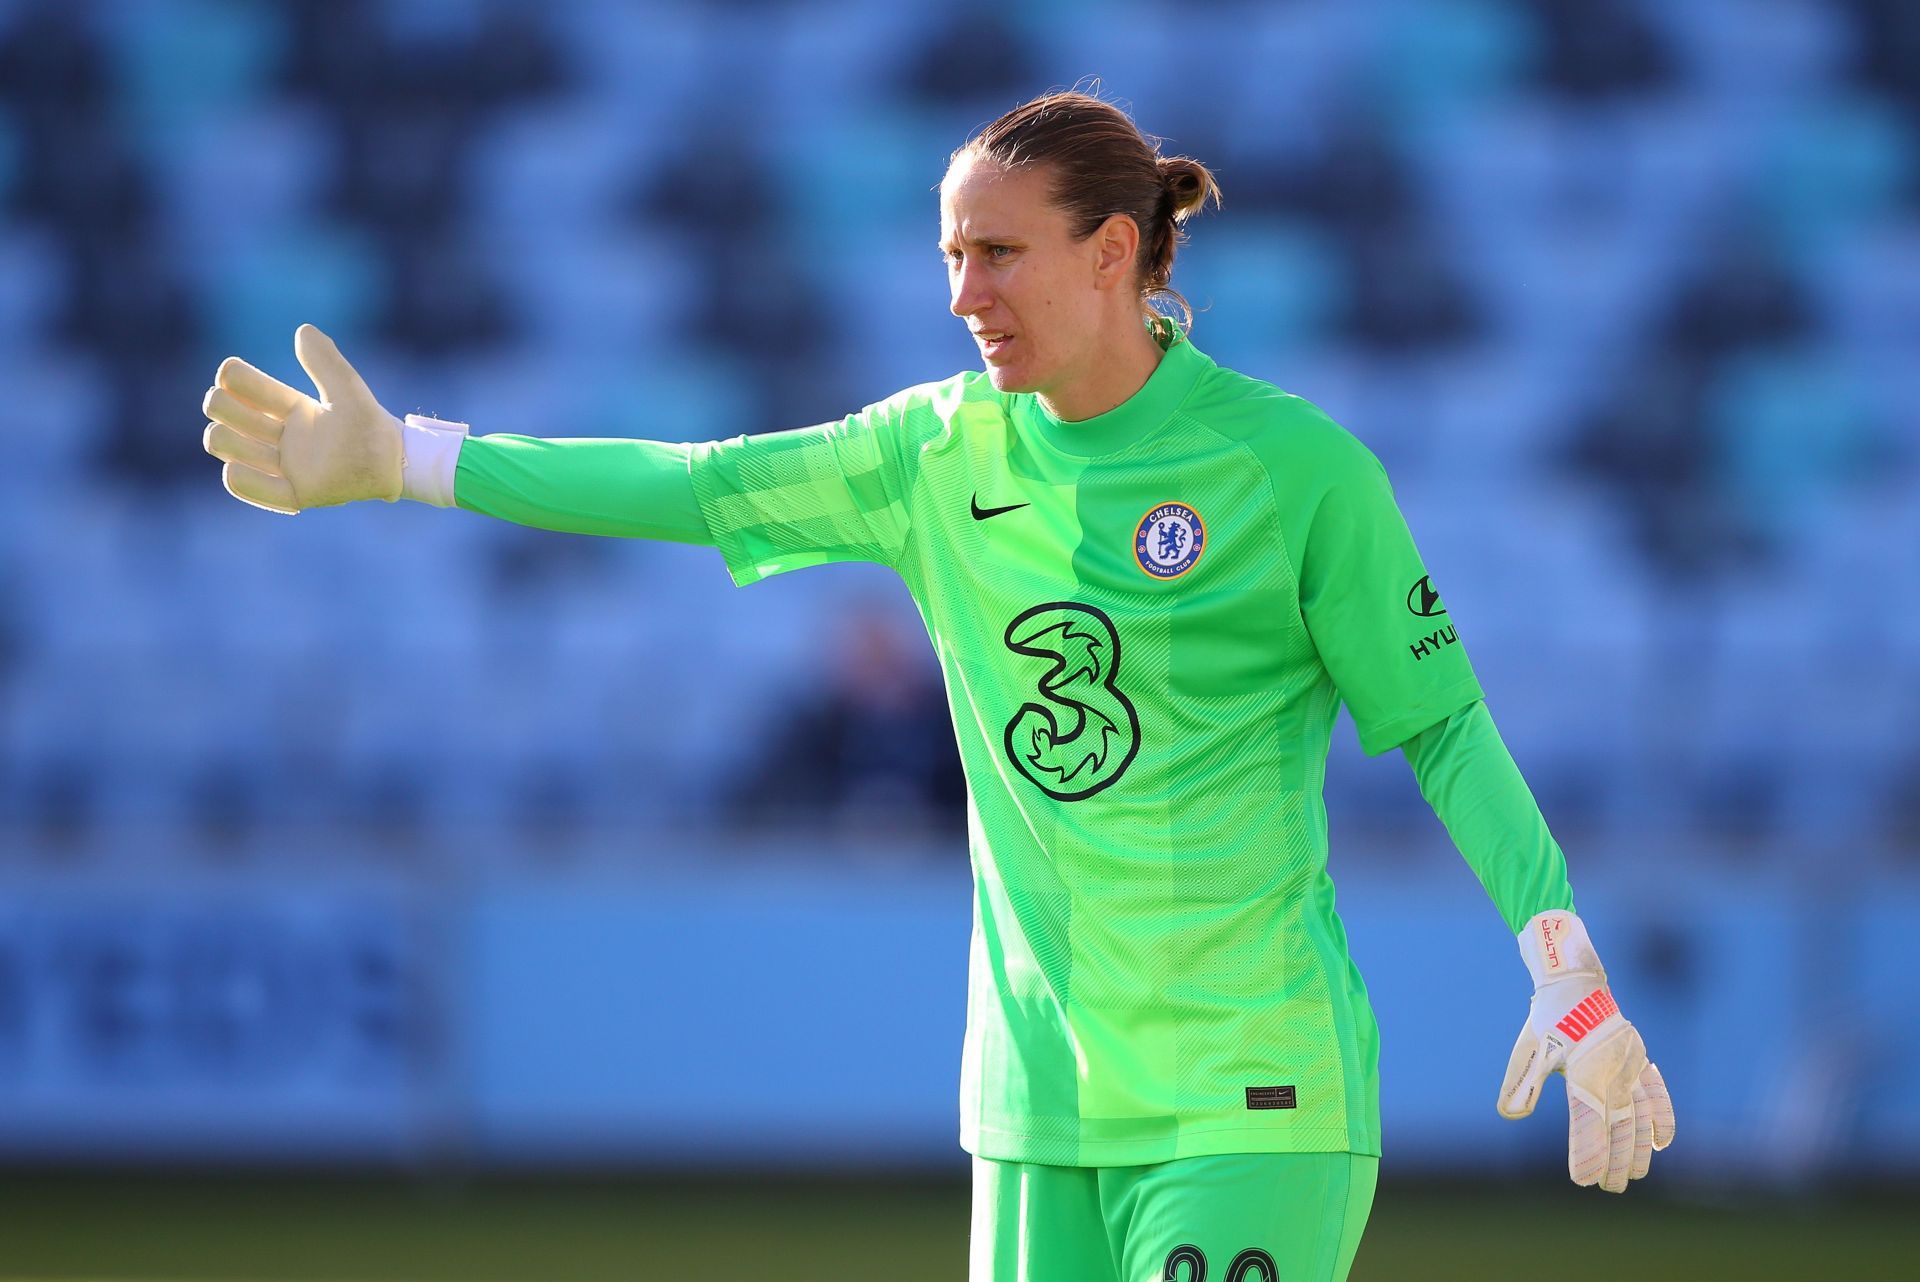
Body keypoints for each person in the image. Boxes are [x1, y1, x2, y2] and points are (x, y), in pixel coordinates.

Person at [200, 90, 1674, 1282]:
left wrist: (1572, 973)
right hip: (1032, 1110)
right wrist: (407, 459)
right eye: (951, 254)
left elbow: (1442, 728)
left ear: (1112, 253)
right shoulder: (931, 454)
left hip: (1253, 1089)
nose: (964, 291)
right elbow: (694, 483)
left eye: (1000, 253)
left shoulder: (1292, 471)